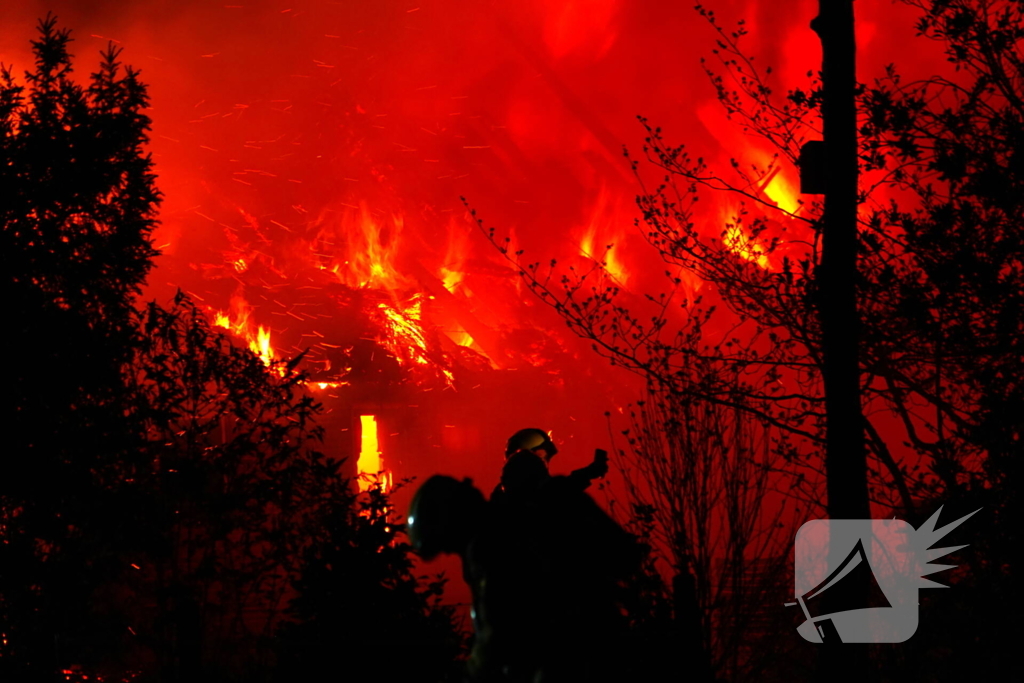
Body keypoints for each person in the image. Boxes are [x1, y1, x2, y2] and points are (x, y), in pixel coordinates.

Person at [407, 472, 642, 682]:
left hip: (564, 666)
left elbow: (497, 634)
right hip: (603, 652)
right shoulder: (517, 523)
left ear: (452, 521)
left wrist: (467, 674)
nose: (450, 551)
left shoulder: (492, 546)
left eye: (445, 544)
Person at [493, 428, 608, 503]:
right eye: (540, 457)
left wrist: (587, 473)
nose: (544, 463)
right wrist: (587, 473)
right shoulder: (522, 500)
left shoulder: (500, 498)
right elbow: (553, 494)